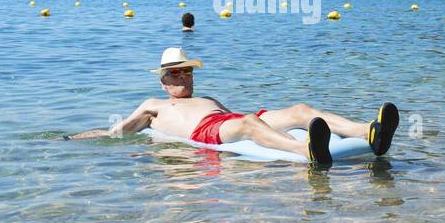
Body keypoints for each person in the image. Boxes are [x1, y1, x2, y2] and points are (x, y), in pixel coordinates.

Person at [66, 46, 399, 167]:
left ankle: (371, 132)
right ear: (163, 81)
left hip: (228, 118)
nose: (183, 77)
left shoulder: (206, 98)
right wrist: (73, 139)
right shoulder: (154, 106)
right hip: (207, 131)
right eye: (175, 73)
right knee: (250, 123)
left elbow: (237, 120)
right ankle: (306, 151)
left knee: (299, 109)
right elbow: (115, 133)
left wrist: (252, 121)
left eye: (187, 71)